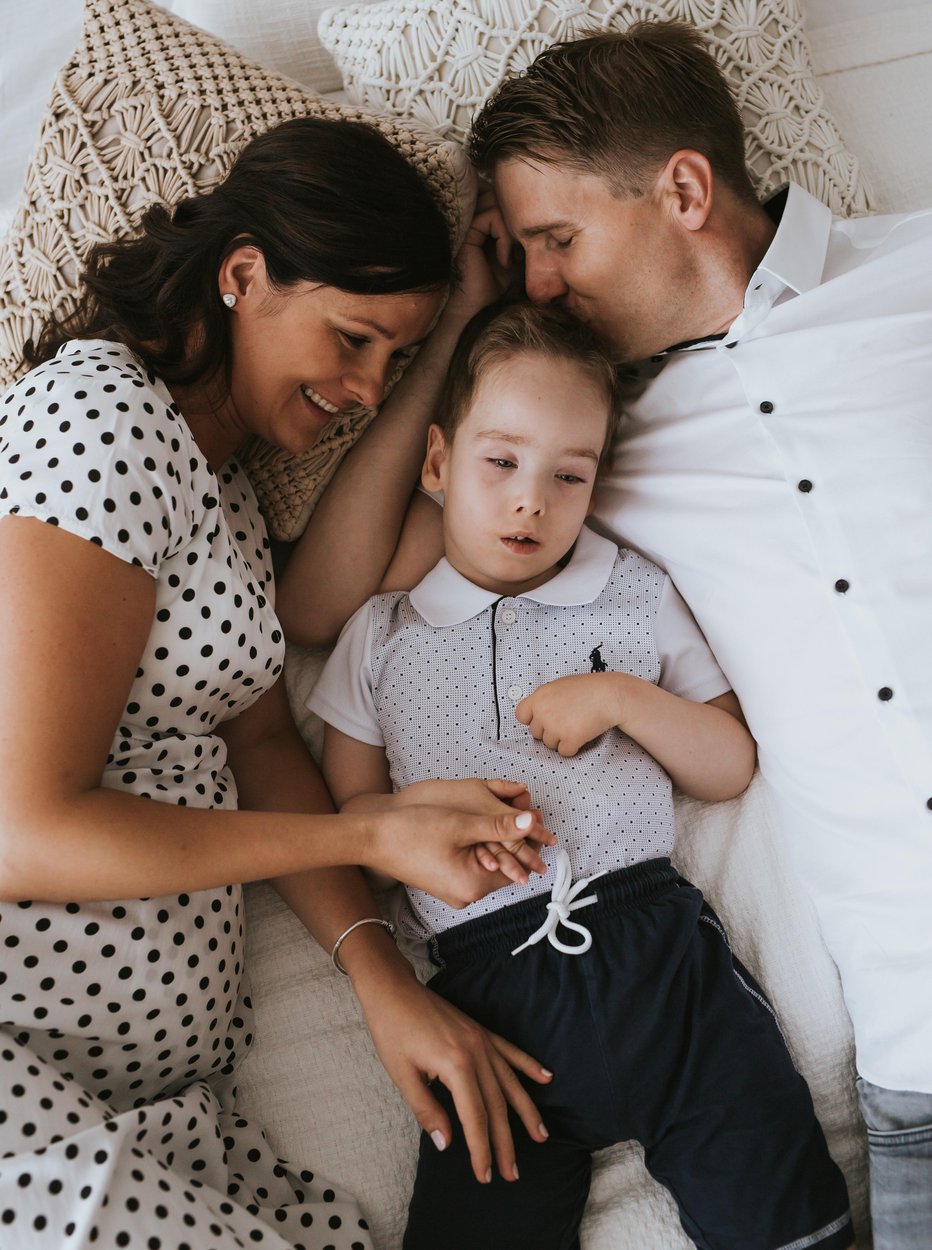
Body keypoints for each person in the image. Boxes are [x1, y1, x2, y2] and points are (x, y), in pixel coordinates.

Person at [277, 21, 932, 1250]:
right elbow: (322, 602)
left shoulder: (914, 276)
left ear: (683, 190)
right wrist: (470, 326)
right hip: (920, 1052)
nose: (537, 281)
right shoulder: (580, 469)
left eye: (554, 241)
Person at [0, 115, 562, 1250]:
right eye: (351, 339)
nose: (364, 387)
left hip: (159, 1112)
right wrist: (368, 835)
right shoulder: (102, 420)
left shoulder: (230, 498)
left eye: (393, 362)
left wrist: (380, 979)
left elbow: (261, 751)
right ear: (243, 274)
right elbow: (21, 827)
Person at [307, 300, 854, 1250]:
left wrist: (622, 700)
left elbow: (729, 768)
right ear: (437, 463)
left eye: (570, 475)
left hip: (661, 962)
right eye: (501, 463)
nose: (532, 501)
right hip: (490, 1002)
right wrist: (415, 813)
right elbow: (347, 815)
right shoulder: (383, 633)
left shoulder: (633, 592)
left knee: (783, 1211)